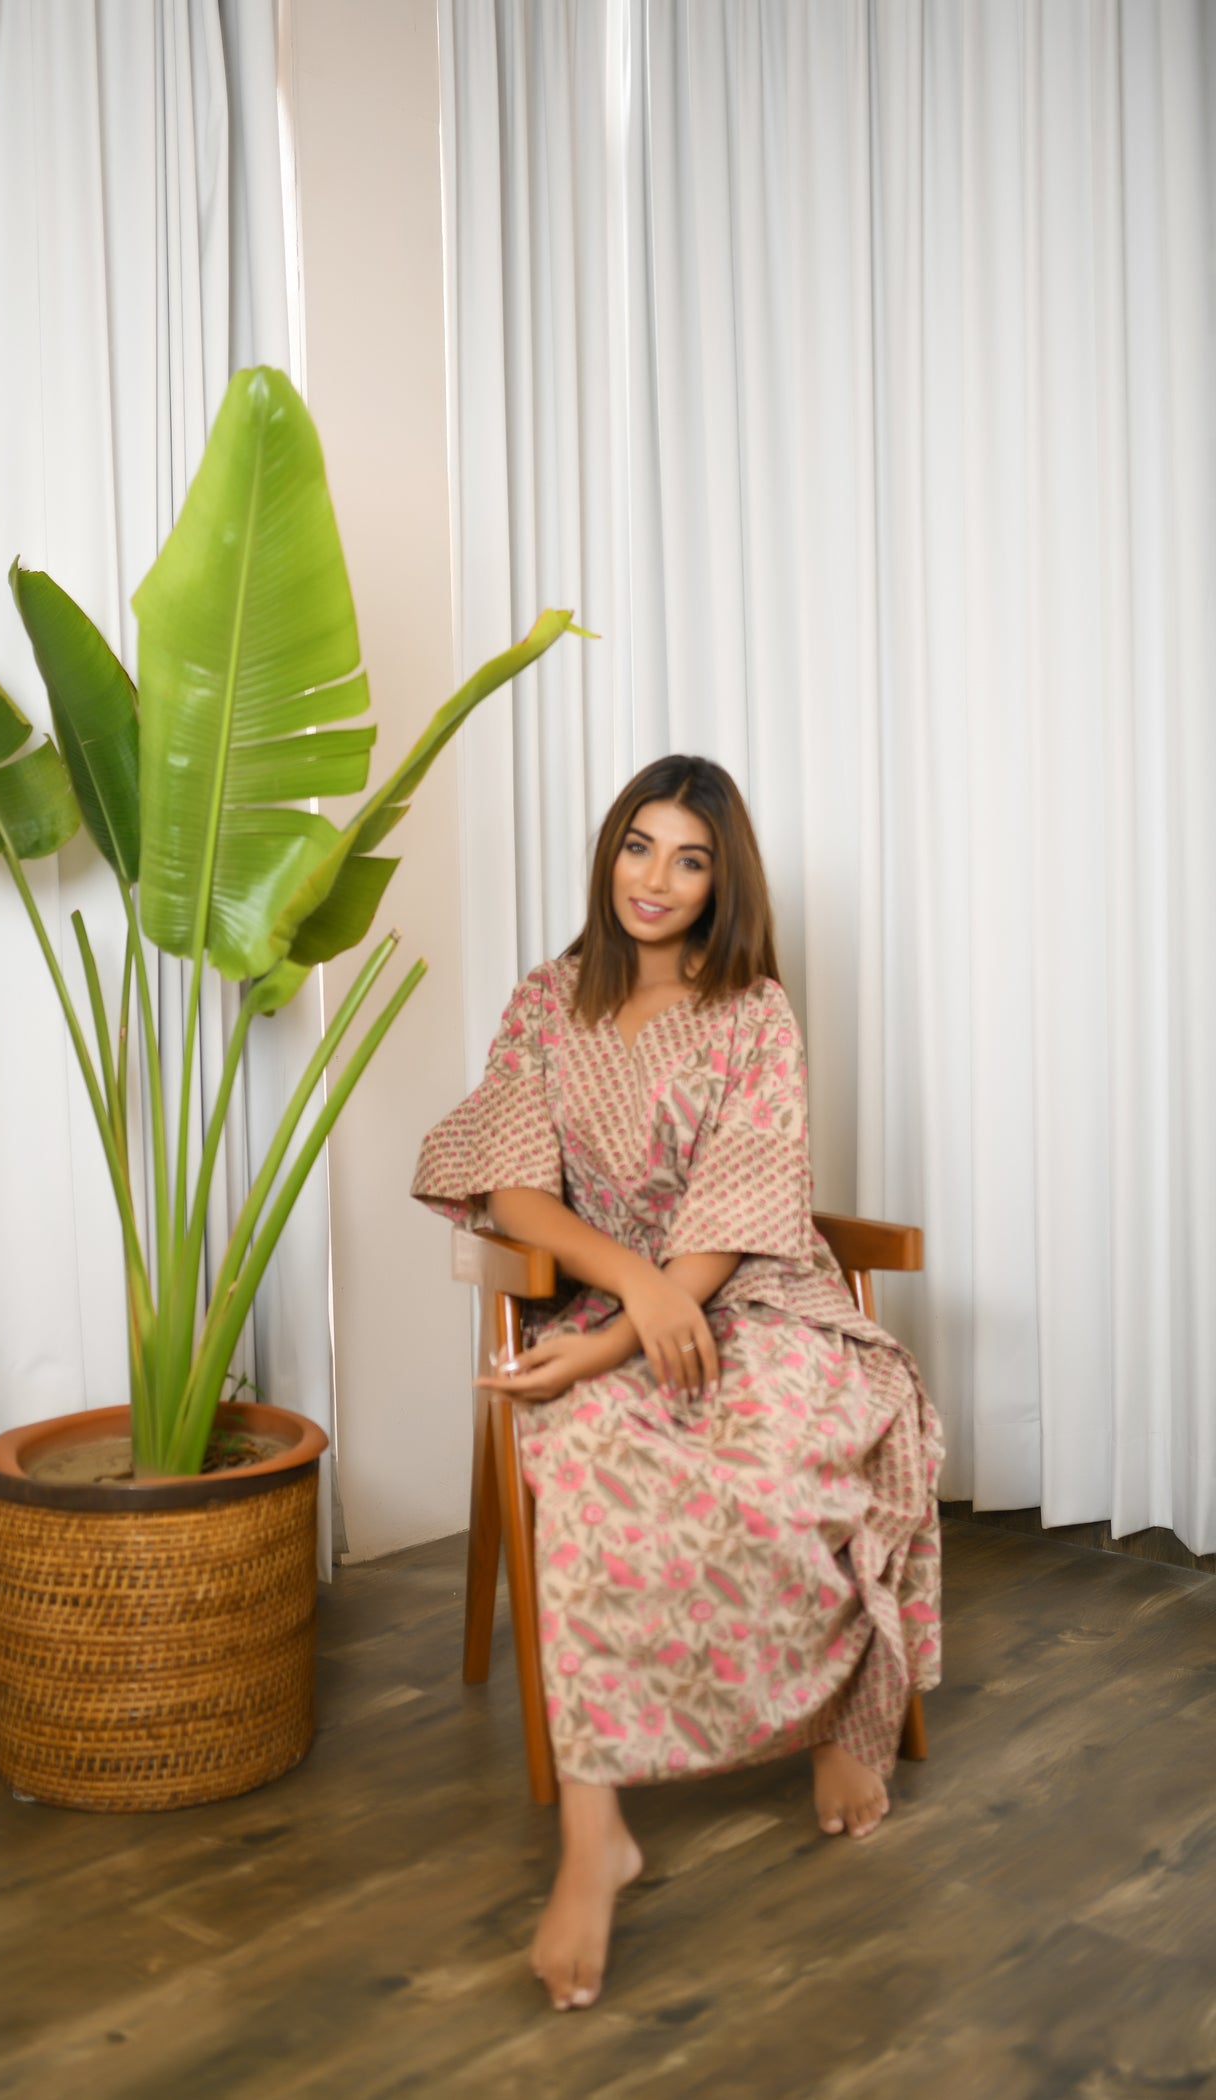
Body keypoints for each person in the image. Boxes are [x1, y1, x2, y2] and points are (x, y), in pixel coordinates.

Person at [411, 755, 943, 2014]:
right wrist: (627, 1304)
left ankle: (838, 1720)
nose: (654, 878)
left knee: (783, 1451)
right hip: (600, 1298)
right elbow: (517, 1192)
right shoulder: (547, 1001)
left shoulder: (754, 1011)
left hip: (750, 1292)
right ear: (610, 854)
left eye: (688, 859)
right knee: (598, 1461)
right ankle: (594, 1830)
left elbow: (747, 1196)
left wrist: (661, 1307)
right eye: (637, 846)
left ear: (720, 882)